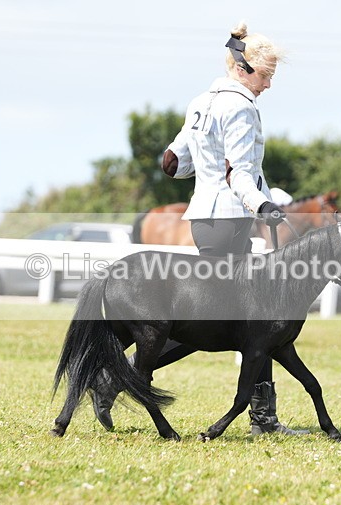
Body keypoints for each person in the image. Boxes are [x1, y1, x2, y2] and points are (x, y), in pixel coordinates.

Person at [89, 21, 307, 437]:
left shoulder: (201, 102)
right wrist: (263, 204)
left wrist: (200, 168)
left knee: (241, 320)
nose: (268, 85)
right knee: (228, 323)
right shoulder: (241, 107)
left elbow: (173, 162)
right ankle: (116, 378)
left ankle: (261, 416)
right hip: (231, 219)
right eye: (266, 75)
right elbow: (239, 174)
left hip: (206, 218)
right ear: (243, 69)